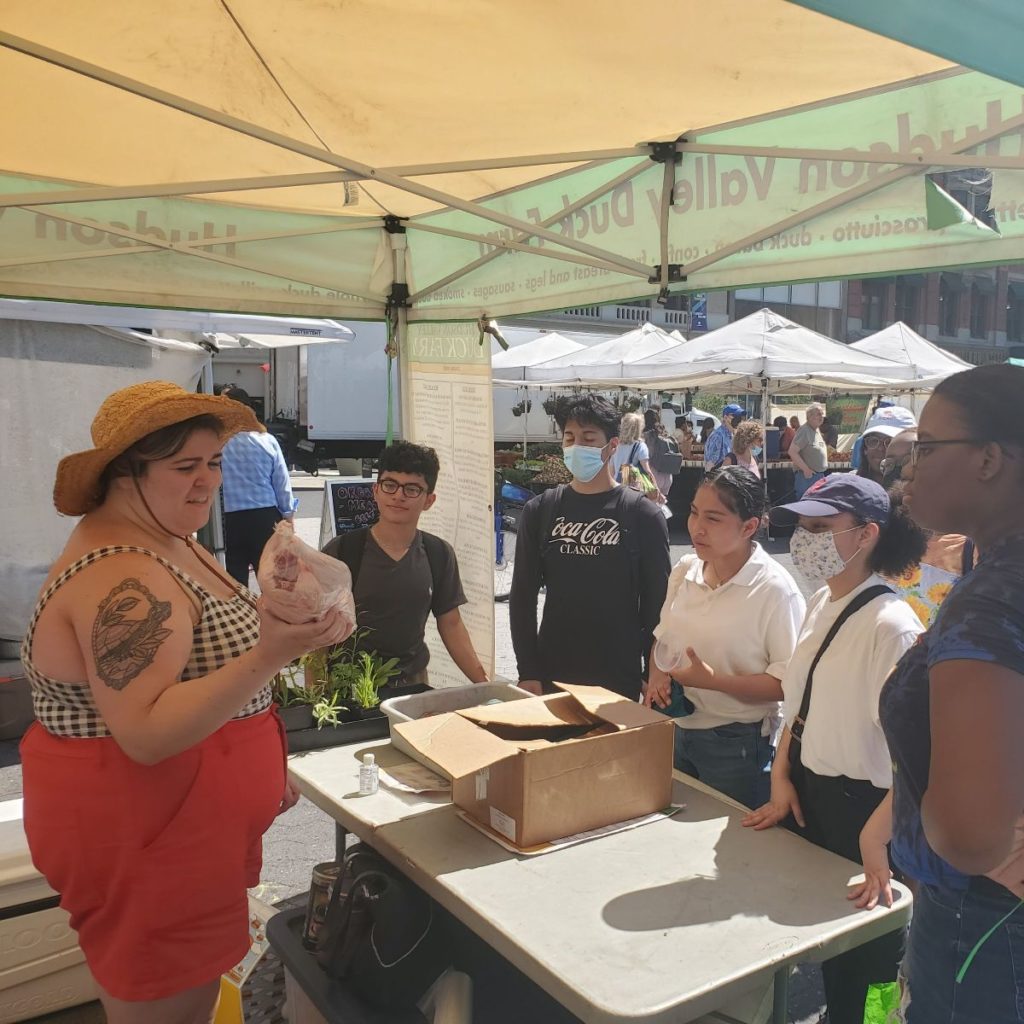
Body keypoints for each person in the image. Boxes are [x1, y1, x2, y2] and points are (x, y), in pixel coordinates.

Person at [19, 381, 352, 1023]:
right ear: (125, 473)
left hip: (177, 825)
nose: (208, 481)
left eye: (214, 461)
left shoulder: (165, 534)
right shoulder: (124, 572)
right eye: (184, 467)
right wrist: (274, 651)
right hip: (148, 837)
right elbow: (143, 731)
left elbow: (203, 668)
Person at [743, 475, 927, 1024]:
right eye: (802, 526)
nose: (804, 539)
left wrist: (876, 836)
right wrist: (782, 776)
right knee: (827, 943)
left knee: (873, 965)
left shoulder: (891, 626)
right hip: (812, 795)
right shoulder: (823, 598)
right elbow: (799, 704)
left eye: (821, 527)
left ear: (867, 534)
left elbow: (922, 757)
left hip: (870, 813)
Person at [879, 364, 1024, 1023]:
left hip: (981, 923)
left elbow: (968, 835)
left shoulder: (989, 606)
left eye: (927, 446)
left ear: (990, 459)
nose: (906, 463)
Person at [646, 467, 805, 808]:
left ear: (750, 526)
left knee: (733, 851)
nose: (696, 528)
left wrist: (713, 681)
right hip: (675, 728)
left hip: (736, 744)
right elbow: (663, 638)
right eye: (693, 512)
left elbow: (787, 686)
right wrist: (657, 675)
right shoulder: (685, 569)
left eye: (713, 518)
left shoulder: (776, 591)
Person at [510, 394, 670, 700]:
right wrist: (527, 669)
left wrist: (653, 671)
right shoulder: (540, 511)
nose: (576, 447)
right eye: (569, 438)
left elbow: (656, 605)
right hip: (552, 671)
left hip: (618, 675)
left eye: (588, 438)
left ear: (612, 446)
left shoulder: (643, 515)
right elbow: (522, 597)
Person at [323, 441, 487, 687]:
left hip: (412, 684)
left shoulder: (438, 553)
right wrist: (315, 699)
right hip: (347, 687)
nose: (398, 496)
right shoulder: (343, 551)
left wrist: (484, 684)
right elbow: (316, 626)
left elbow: (451, 623)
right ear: (376, 491)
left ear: (429, 500)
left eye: (412, 489)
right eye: (390, 485)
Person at [880, 430, 975, 627]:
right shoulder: (879, 535)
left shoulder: (974, 550)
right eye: (890, 462)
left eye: (911, 457)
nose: (901, 469)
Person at [218, 387, 298, 586]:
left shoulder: (216, 443)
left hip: (228, 519)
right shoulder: (267, 440)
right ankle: (271, 616)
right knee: (271, 580)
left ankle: (242, 616)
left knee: (234, 582)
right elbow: (281, 482)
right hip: (265, 518)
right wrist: (288, 517)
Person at [856, 406, 918, 486]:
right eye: (874, 441)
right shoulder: (851, 488)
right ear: (865, 449)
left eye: (890, 441)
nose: (880, 448)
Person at [611, 412, 665, 504]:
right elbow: (648, 471)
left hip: (617, 488)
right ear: (638, 428)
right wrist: (657, 490)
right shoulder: (640, 446)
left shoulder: (615, 445)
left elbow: (611, 471)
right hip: (633, 490)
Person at [789, 403, 828, 498]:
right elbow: (792, 451)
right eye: (819, 414)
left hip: (817, 476)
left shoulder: (816, 430)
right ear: (809, 416)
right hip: (807, 478)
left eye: (822, 414)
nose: (822, 417)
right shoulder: (804, 430)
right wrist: (806, 470)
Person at [644, 407, 679, 499]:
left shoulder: (647, 436)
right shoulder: (664, 433)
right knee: (661, 506)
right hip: (667, 476)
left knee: (650, 508)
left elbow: (647, 456)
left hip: (653, 475)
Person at [703, 404, 746, 471]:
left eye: (740, 416)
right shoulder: (718, 436)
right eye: (735, 416)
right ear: (725, 417)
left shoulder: (731, 434)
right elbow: (710, 464)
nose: (739, 418)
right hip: (719, 477)